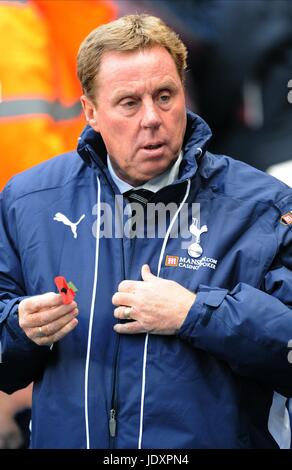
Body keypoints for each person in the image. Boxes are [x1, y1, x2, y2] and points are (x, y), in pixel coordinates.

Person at [0, 14, 292, 450]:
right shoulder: (29, 201)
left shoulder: (262, 206)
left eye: (165, 96)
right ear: (91, 112)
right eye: (129, 103)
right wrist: (19, 328)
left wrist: (196, 314)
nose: (153, 118)